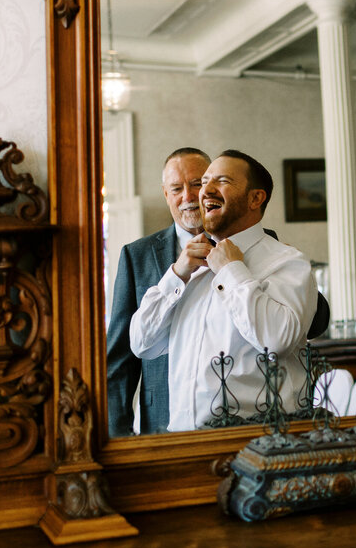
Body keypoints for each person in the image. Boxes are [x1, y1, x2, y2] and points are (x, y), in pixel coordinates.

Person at [130, 150, 317, 432]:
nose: (204, 192)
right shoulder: (190, 268)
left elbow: (278, 340)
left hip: (256, 443)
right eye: (205, 182)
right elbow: (141, 343)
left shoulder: (287, 262)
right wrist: (176, 275)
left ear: (256, 198)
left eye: (222, 181)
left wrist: (232, 271)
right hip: (184, 441)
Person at [107, 147, 210, 436]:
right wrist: (119, 437)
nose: (188, 197)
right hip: (163, 419)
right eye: (177, 188)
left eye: (197, 184)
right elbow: (119, 358)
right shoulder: (136, 256)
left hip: (239, 419)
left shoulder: (248, 245)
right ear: (166, 195)